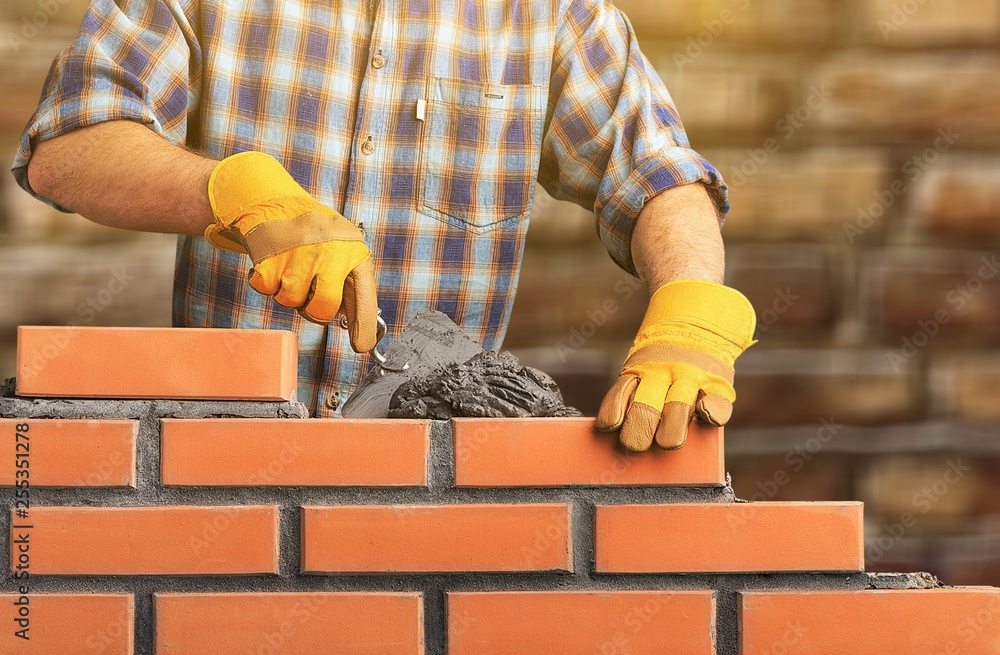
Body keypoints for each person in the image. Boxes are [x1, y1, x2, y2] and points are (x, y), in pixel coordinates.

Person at [13, 0, 756, 451]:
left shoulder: (552, 16)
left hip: (430, 496)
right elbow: (68, 146)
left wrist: (690, 310)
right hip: (213, 476)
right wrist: (233, 190)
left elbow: (657, 172)